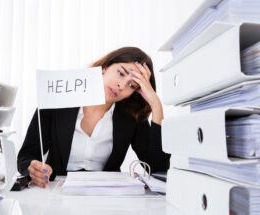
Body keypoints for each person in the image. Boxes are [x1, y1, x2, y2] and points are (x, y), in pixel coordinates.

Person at [17, 47, 170, 188]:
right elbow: (26, 156)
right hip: (57, 192)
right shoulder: (57, 99)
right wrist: (34, 168)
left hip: (105, 197)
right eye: (121, 73)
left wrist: (156, 105)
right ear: (105, 68)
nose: (122, 85)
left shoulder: (131, 116)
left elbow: (158, 168)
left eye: (132, 85)